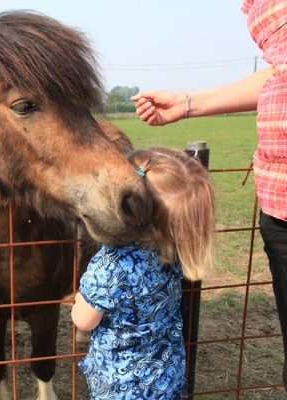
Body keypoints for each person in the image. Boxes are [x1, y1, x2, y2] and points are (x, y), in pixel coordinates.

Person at [130, 0, 287, 392]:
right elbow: (280, 70)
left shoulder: (111, 271)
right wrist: (187, 103)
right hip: (279, 200)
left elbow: (84, 317)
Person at [72, 146, 215, 400]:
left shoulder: (112, 264)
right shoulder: (175, 251)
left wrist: (79, 302)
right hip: (166, 378)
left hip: (121, 387)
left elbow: (83, 320)